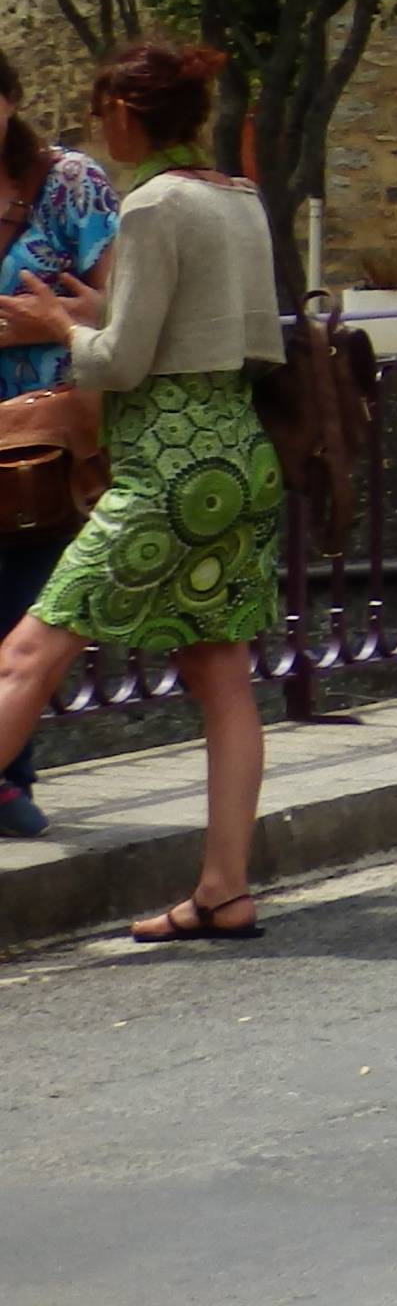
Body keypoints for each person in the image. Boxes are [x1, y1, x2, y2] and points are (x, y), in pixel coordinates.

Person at [0, 43, 284, 936]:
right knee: (220, 670)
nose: (98, 129)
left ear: (127, 110)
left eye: (102, 110)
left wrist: (56, 322)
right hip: (236, 456)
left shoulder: (156, 203)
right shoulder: (237, 196)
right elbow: (218, 334)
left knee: (25, 655)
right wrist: (95, 313)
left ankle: (224, 893)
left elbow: (124, 364)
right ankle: (223, 891)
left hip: (166, 465)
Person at [0, 53, 119, 843]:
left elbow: (125, 304)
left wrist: (58, 324)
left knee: (18, 609)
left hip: (34, 443)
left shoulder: (69, 183)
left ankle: (9, 779)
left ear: (9, 100)